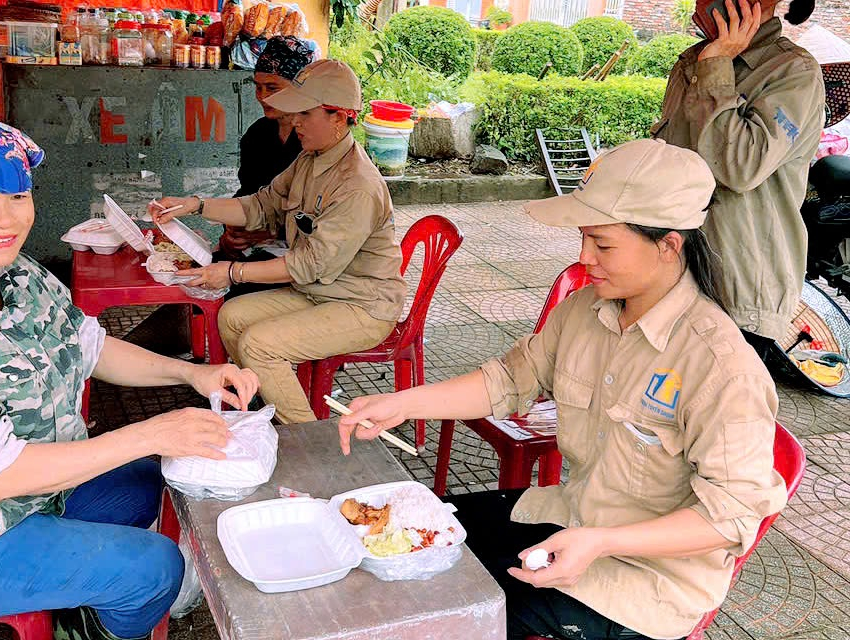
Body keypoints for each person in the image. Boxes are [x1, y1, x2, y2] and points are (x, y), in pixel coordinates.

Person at [337, 139, 788, 640]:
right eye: (583, 238)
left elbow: (730, 520)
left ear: (668, 245)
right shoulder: (584, 312)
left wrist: (599, 542)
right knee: (414, 538)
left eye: (603, 243)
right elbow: (509, 380)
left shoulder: (722, 367)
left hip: (643, 583)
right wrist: (402, 402)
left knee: (445, 610)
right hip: (570, 515)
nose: (584, 257)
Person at [0, 115, 259, 640]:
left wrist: (195, 374)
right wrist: (151, 432)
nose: (5, 217)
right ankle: (88, 629)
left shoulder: (15, 272)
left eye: (17, 196)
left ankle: (82, 597)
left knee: (160, 480)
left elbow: (91, 347)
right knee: (155, 568)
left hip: (30, 498)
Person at [150, 60, 406, 426]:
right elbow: (260, 205)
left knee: (260, 344)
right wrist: (195, 205)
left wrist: (233, 272)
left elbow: (309, 264)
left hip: (363, 306)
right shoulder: (309, 159)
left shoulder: (357, 186)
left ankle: (307, 437)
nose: (295, 122)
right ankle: (261, 413)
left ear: (339, 117)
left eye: (305, 113)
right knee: (231, 316)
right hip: (319, 291)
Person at [653, 0, 825, 355]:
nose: (696, 6)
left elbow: (740, 166)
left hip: (736, 289)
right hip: (672, 273)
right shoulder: (694, 61)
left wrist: (716, 65)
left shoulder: (793, 71)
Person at [214, 35, 314, 298]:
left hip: (303, 256)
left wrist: (268, 231)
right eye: (258, 87)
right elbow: (247, 191)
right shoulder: (258, 134)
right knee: (201, 269)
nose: (262, 97)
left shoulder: (317, 140)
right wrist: (231, 232)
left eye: (272, 88)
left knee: (236, 290)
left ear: (299, 88)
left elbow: (321, 217)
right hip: (258, 242)